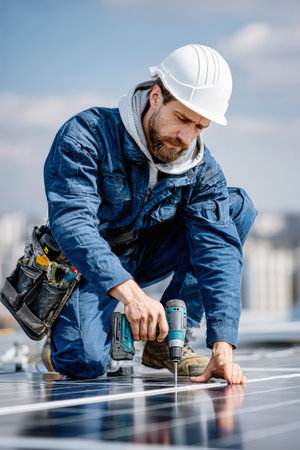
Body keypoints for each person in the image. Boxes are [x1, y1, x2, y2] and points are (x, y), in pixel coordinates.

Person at [43, 44, 257, 383]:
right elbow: (73, 223)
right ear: (156, 96)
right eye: (183, 119)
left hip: (150, 253)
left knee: (235, 209)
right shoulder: (87, 134)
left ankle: (168, 339)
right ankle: (65, 335)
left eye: (200, 126)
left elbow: (217, 251)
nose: (186, 137)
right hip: (91, 261)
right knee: (84, 363)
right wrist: (133, 296)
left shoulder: (202, 168)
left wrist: (222, 346)